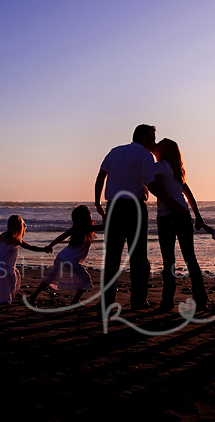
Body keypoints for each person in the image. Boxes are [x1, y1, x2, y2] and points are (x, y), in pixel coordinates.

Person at [94, 124, 177, 310]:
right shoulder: (145, 156)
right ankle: (138, 301)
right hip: (135, 208)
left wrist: (97, 201)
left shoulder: (115, 151)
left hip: (114, 206)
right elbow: (151, 184)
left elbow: (101, 176)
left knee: (112, 257)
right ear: (144, 138)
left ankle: (106, 302)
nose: (155, 142)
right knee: (138, 256)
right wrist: (170, 201)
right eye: (153, 138)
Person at [153, 138, 208, 312]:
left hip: (168, 215)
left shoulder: (160, 166)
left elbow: (162, 191)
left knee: (169, 259)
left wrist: (171, 208)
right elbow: (188, 194)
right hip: (184, 215)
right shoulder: (178, 170)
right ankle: (200, 297)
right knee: (190, 257)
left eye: (159, 146)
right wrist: (197, 215)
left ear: (164, 150)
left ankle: (167, 300)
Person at [30, 205, 104, 306]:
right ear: (87, 218)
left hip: (61, 256)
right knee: (85, 278)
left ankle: (33, 296)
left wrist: (50, 246)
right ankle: (75, 301)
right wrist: (103, 214)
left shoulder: (74, 229)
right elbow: (105, 226)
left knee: (50, 277)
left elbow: (61, 237)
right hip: (71, 260)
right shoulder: (87, 228)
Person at [0, 215, 50, 304]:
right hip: (6, 267)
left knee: (13, 277)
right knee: (10, 283)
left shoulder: (4, 235)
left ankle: (12, 293)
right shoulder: (16, 240)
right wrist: (43, 249)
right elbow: (30, 247)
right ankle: (6, 299)